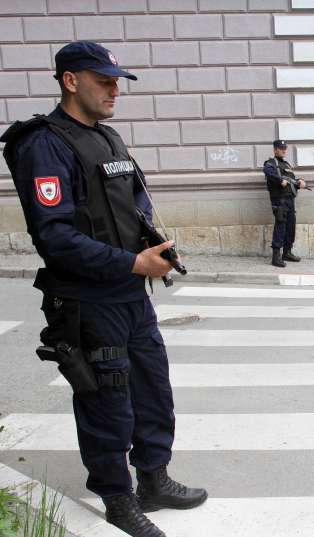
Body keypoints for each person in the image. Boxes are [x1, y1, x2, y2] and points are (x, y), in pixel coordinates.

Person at [0, 41, 207, 537]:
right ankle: (118, 500)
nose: (115, 90)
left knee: (153, 390)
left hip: (130, 295)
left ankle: (154, 480)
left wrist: (156, 246)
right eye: (104, 81)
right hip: (89, 301)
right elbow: (54, 236)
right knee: (107, 401)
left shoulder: (109, 139)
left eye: (118, 81)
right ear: (70, 81)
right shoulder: (44, 143)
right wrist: (133, 262)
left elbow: (133, 206)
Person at [263, 140, 306, 267]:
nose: (284, 150)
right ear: (275, 149)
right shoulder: (271, 163)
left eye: (285, 148)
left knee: (290, 227)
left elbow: (291, 181)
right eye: (281, 148)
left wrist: (299, 182)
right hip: (279, 200)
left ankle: (287, 252)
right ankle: (275, 257)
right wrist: (279, 180)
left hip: (290, 200)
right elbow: (267, 171)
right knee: (280, 227)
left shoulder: (286, 164)